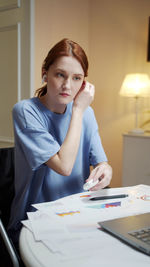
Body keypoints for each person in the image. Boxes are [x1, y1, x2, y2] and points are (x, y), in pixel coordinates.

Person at [8, 38, 112, 245]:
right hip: (35, 220)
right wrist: (78, 111)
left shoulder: (86, 113)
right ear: (44, 73)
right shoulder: (25, 111)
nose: (67, 85)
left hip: (78, 213)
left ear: (84, 83)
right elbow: (64, 166)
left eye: (76, 78)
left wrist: (105, 171)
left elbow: (102, 162)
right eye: (60, 75)